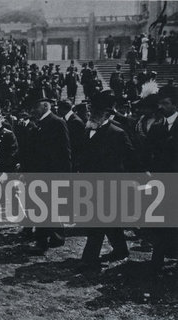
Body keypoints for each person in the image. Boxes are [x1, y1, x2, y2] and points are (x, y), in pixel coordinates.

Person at [78, 90, 135, 272]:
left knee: (97, 222)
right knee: (109, 221)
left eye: (95, 111)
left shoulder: (117, 133)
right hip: (91, 184)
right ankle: (121, 249)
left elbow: (130, 158)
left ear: (106, 114)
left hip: (110, 185)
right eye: (91, 110)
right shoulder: (88, 130)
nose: (90, 114)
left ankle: (89, 259)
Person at [26, 90, 72, 253]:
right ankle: (54, 237)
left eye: (36, 107)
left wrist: (65, 174)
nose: (33, 111)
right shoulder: (39, 123)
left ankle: (43, 241)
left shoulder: (57, 122)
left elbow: (65, 151)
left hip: (52, 171)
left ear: (46, 106)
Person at [147, 86, 178, 272]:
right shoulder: (157, 127)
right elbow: (150, 152)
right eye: (160, 103)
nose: (161, 107)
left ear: (175, 105)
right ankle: (157, 258)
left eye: (165, 103)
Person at [57, 99, 86, 172]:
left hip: (73, 159)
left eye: (58, 108)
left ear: (63, 109)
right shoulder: (68, 119)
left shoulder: (75, 122)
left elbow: (78, 144)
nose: (57, 111)